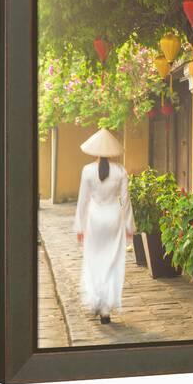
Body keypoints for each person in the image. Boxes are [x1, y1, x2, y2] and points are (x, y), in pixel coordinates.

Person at [74, 128, 136, 324]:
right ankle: (106, 310)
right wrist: (129, 226)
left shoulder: (87, 170)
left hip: (94, 220)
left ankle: (96, 300)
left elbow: (83, 201)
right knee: (111, 263)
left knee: (94, 262)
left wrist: (80, 226)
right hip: (113, 219)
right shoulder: (120, 171)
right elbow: (125, 201)